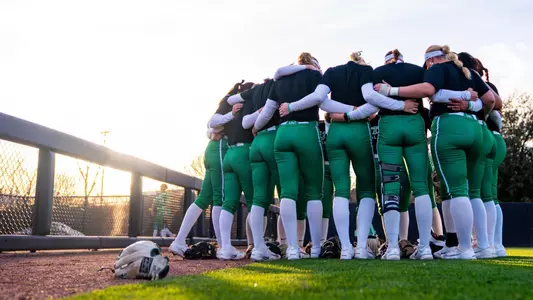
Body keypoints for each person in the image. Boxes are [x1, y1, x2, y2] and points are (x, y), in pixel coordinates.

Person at [277, 51, 417, 260]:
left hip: (336, 133)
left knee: (340, 190)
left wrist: (293, 107)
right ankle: (361, 247)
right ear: (361, 61)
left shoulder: (332, 72)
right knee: (367, 189)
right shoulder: (366, 71)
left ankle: (345, 248)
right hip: (359, 131)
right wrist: (398, 106)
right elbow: (371, 99)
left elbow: (320, 101)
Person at [375, 44, 495, 259]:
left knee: (453, 190)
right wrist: (470, 106)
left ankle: (462, 248)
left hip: (448, 128)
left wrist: (392, 91)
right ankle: (483, 246)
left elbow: (429, 91)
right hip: (477, 130)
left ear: (430, 60)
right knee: (473, 192)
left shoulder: (435, 69)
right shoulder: (468, 72)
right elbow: (491, 101)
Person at [254, 52, 324, 260]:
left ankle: (292, 248)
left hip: (282, 134)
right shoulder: (314, 76)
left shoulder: (280, 81)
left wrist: (256, 128)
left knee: (287, 192)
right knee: (313, 191)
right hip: (307, 132)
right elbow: (322, 101)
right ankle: (316, 248)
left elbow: (267, 113)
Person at [169, 81, 248, 257]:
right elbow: (212, 123)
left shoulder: (228, 101)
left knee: (205, 198)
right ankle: (224, 247)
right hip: (220, 149)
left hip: (215, 150)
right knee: (220, 198)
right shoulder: (230, 102)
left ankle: (179, 241)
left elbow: (210, 126)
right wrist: (229, 116)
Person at [226, 78, 281, 261]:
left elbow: (214, 127)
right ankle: (291, 246)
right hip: (264, 143)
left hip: (251, 147)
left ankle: (256, 246)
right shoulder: (271, 89)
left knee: (253, 200)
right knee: (285, 194)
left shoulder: (248, 98)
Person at [456, 52, 500, 258]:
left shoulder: (467, 76)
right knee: (488, 195)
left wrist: (475, 110)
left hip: (477, 130)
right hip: (489, 134)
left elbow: (494, 101)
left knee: (473, 192)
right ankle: (491, 244)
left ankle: (482, 243)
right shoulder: (481, 79)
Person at [214, 81, 256, 260]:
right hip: (245, 153)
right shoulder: (250, 105)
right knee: (255, 202)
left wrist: (230, 115)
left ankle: (225, 247)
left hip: (229, 154)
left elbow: (213, 126)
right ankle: (257, 246)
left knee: (228, 203)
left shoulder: (231, 107)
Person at [475, 58, 507, 256]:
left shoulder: (481, 86)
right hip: (497, 140)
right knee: (491, 196)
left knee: (480, 193)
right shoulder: (488, 85)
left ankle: (485, 243)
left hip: (488, 138)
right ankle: (497, 245)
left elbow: (495, 112)